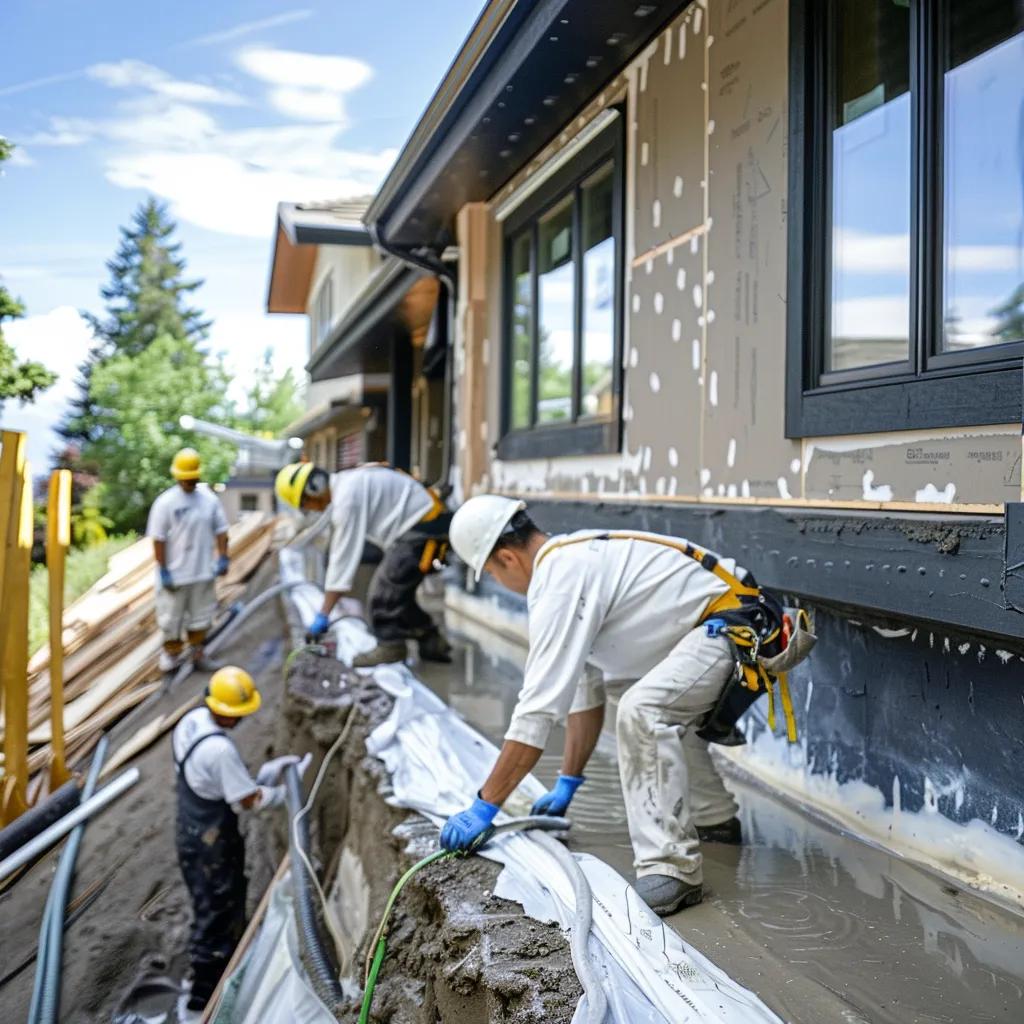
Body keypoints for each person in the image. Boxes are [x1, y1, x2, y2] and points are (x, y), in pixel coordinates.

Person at [439, 495, 787, 917]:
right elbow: (584, 694)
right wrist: (567, 781)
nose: (497, 581)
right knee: (654, 704)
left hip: (735, 624)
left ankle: (671, 869)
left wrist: (485, 805)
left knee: (645, 709)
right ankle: (716, 824)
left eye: (491, 573)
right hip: (720, 624)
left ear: (508, 559)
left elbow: (536, 714)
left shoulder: (561, 579)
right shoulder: (571, 564)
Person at [172, 665, 309, 1018]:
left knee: (213, 903)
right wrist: (281, 792)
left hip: (190, 830)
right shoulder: (219, 750)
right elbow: (247, 801)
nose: (240, 721)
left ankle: (222, 963)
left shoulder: (190, 723)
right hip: (210, 845)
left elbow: (218, 782)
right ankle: (202, 997)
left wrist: (262, 775)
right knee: (216, 910)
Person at [274, 461, 452, 666]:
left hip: (422, 531)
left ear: (313, 490)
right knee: (399, 595)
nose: (312, 510)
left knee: (383, 595)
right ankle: (431, 641)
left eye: (305, 505)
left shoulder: (346, 500)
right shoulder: (348, 482)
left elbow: (341, 562)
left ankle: (391, 647)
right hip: (422, 526)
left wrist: (323, 614)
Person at [147, 448, 230, 673]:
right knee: (171, 620)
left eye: (192, 478)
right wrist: (163, 569)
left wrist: (223, 556)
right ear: (177, 477)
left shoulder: (209, 501)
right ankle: (171, 656)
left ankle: (197, 654)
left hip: (202, 571)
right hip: (176, 574)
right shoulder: (166, 503)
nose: (189, 482)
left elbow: (221, 530)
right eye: (185, 478)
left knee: (201, 617)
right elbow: (159, 539)